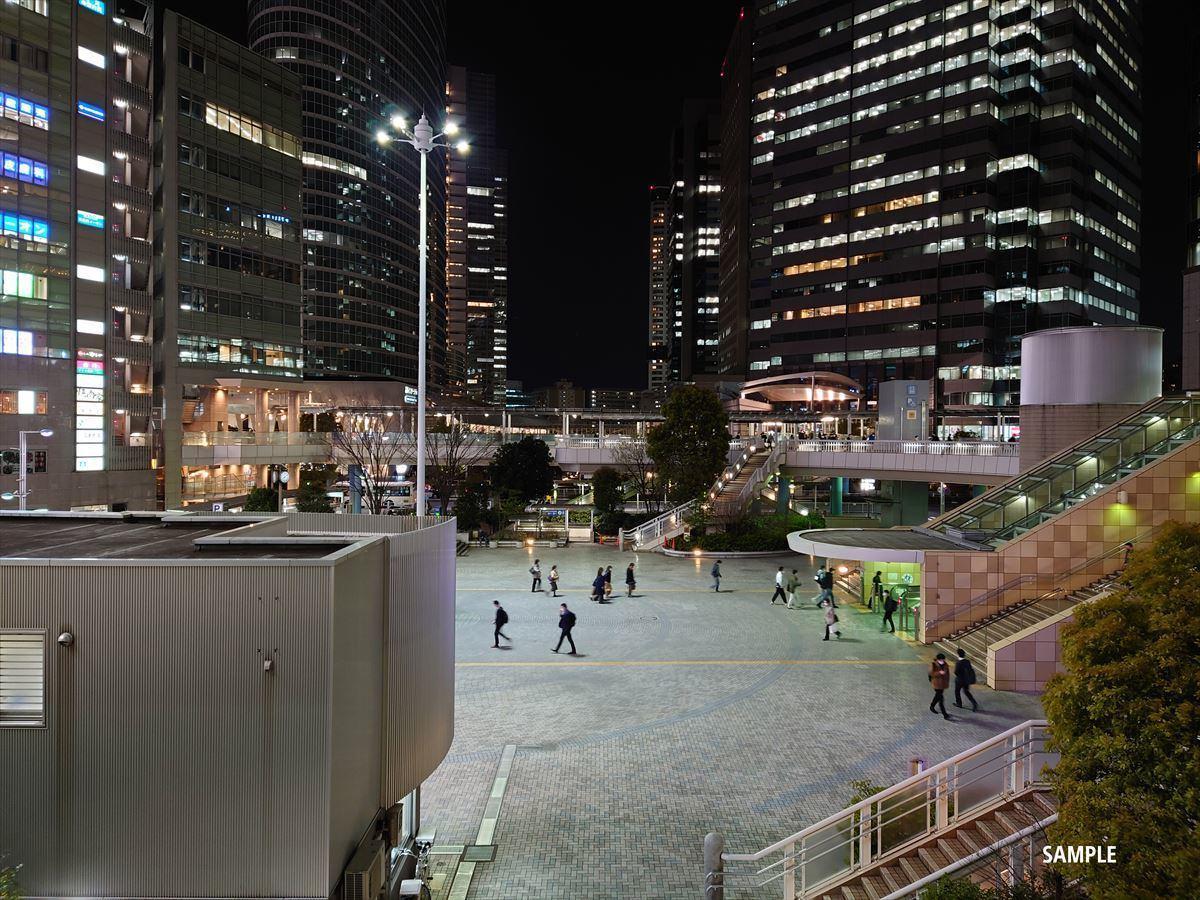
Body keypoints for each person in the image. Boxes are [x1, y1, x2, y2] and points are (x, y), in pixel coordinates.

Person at [929, 654, 951, 719]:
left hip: (943, 684)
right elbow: (931, 673)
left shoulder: (945, 664)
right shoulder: (933, 664)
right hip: (936, 684)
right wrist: (939, 673)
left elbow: (948, 674)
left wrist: (947, 682)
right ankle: (945, 714)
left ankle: (932, 706)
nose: (943, 661)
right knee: (941, 698)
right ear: (938, 659)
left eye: (943, 660)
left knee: (937, 696)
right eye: (941, 660)